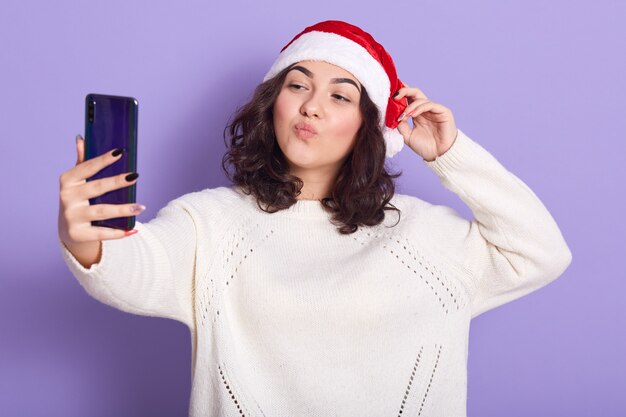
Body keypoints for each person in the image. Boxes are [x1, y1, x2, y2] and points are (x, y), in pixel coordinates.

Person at [57, 20, 572, 417]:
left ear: (368, 126)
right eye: (297, 86)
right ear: (272, 104)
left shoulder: (427, 236)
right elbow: (130, 269)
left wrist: (450, 154)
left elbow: (540, 252)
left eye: (341, 95)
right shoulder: (209, 222)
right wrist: (84, 236)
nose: (312, 108)